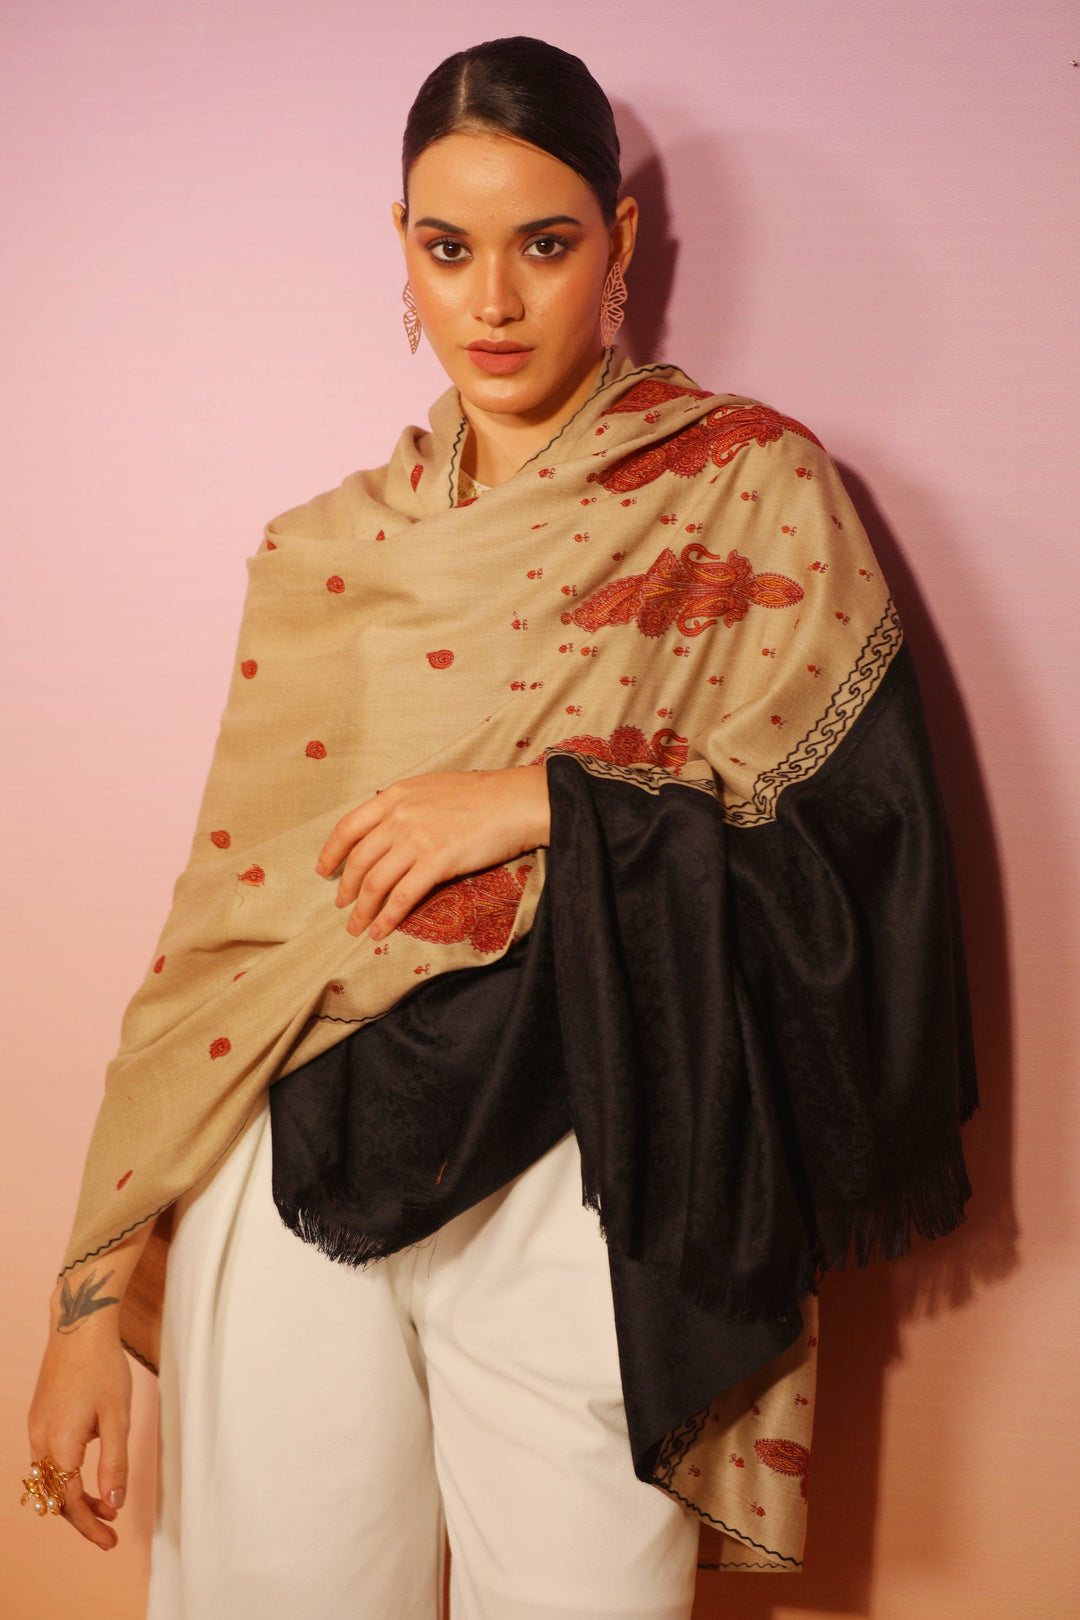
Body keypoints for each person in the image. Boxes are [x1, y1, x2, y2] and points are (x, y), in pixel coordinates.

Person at [25, 34, 978, 1620]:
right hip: (290, 1163)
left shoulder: (746, 488)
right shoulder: (330, 556)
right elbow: (221, 942)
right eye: (447, 248)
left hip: (587, 1151)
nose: (493, 301)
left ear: (620, 241)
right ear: (399, 249)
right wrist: (83, 1304)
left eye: (544, 244)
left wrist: (548, 804)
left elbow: (865, 857)